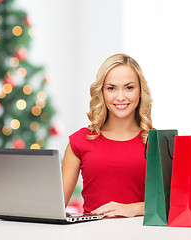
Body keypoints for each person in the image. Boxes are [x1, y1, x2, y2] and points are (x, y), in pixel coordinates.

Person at [62, 53, 153, 217]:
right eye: (111, 88)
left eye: (129, 87)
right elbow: (56, 206)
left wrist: (135, 208)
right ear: (102, 92)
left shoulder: (156, 142)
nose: (120, 97)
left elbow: (173, 205)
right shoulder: (80, 141)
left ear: (140, 91)